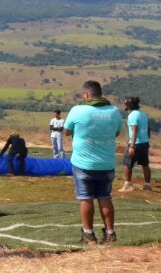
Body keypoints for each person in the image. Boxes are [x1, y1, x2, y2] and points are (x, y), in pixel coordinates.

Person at [64, 80, 123, 245]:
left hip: (83, 163)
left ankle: (89, 235)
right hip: (106, 163)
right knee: (105, 197)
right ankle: (110, 233)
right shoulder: (114, 111)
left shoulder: (78, 110)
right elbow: (117, 132)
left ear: (87, 95)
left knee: (85, 198)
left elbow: (67, 131)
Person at [120, 96, 152, 192]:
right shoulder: (143, 114)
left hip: (136, 143)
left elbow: (135, 132)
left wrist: (132, 146)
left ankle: (128, 185)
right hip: (144, 143)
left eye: (125, 103)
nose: (124, 105)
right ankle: (147, 185)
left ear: (129, 105)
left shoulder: (132, 116)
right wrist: (146, 140)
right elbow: (149, 129)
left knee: (127, 163)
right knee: (145, 164)